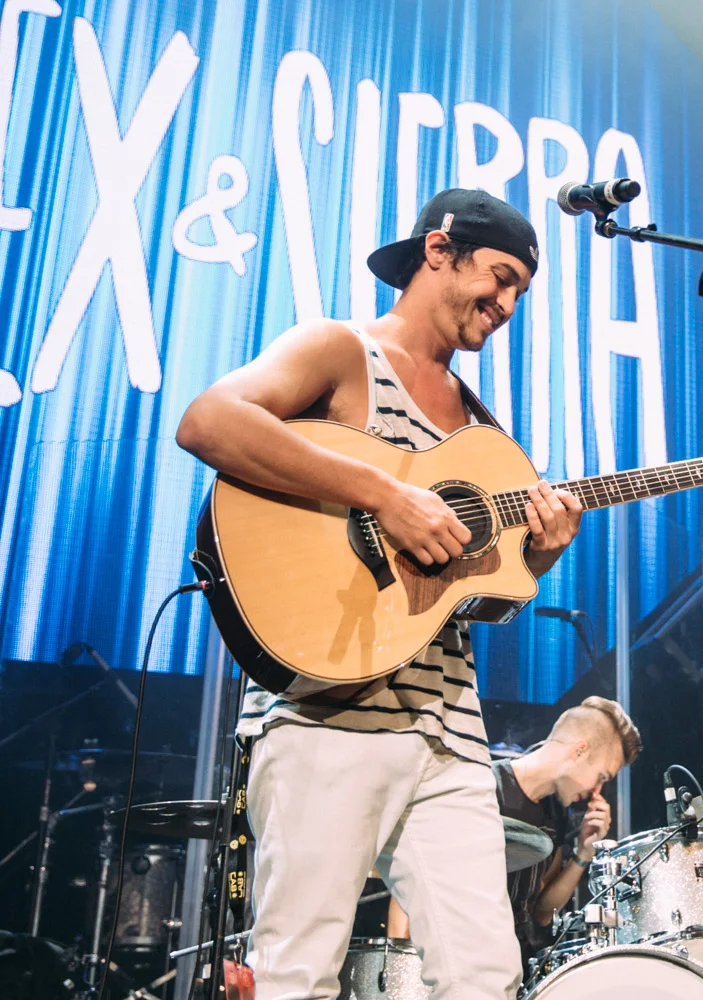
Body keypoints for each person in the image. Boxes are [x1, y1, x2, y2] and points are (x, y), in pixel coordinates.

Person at [175, 188, 583, 999]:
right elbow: (210, 420)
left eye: (517, 295)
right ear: (439, 251)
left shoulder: (485, 431)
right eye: (497, 278)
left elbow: (472, 593)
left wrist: (537, 559)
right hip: (328, 712)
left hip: (449, 731)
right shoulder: (341, 349)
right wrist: (384, 493)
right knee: (298, 978)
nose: (504, 306)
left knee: (487, 977)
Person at [491, 698, 641, 961]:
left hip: (519, 966)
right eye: (602, 776)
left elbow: (542, 911)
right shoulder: (485, 787)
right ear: (579, 751)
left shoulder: (556, 814)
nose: (597, 792)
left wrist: (584, 851)